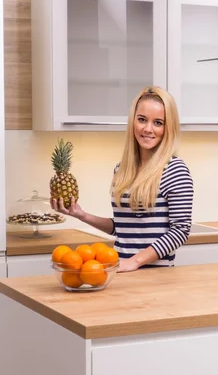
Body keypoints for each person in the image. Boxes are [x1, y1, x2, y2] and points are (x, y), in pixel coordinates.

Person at [51, 86, 194, 272]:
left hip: (155, 276)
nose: (148, 129)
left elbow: (180, 231)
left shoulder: (175, 170)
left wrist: (135, 261)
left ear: (168, 128)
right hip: (119, 271)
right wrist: (82, 215)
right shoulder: (122, 169)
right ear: (133, 121)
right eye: (142, 119)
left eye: (158, 122)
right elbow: (123, 228)